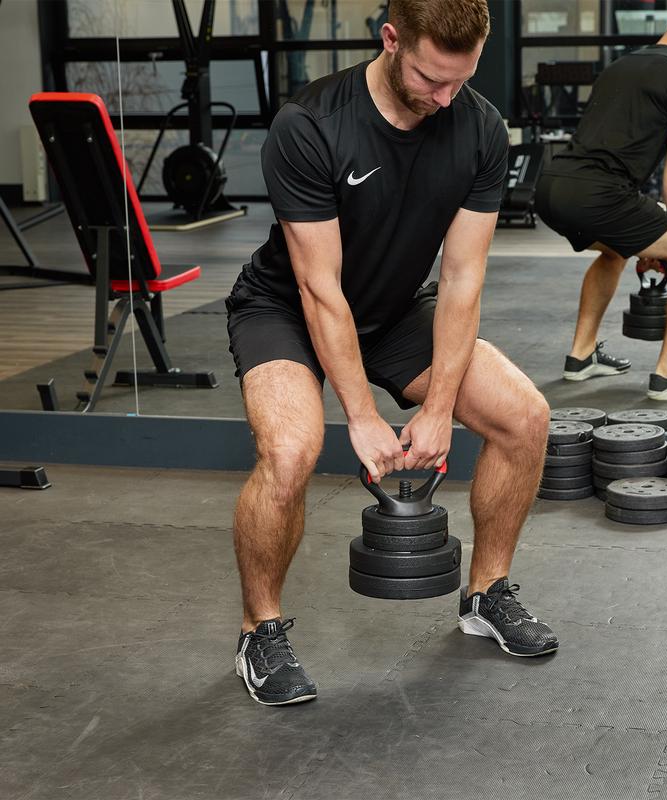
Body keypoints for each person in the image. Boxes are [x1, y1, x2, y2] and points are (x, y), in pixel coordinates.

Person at [226, 0, 558, 707]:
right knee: (290, 452)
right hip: (286, 307)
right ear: (390, 39)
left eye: (459, 82)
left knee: (524, 418)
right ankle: (260, 630)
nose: (445, 98)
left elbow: (464, 280)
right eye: (431, 79)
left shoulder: (479, 128)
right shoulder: (311, 126)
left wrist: (438, 409)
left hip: (396, 309)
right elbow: (320, 292)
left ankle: (486, 594)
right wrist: (362, 416)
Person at [535, 0, 667, 401]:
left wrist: (649, 239)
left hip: (552, 186)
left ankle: (581, 356)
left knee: (614, 252)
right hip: (599, 194)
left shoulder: (621, 64)